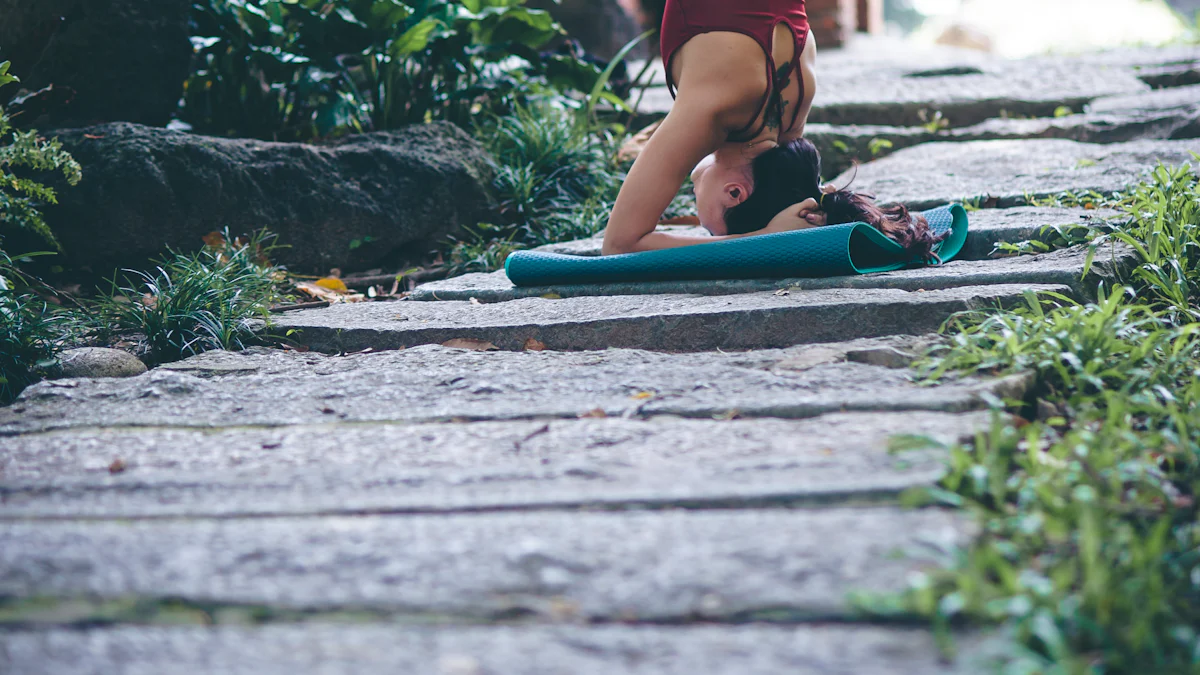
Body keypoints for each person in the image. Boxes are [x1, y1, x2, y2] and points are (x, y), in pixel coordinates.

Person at [602, 0, 944, 262]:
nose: (699, 219)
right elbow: (620, 245)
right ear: (735, 194)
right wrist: (763, 237)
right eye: (711, 228)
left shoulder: (794, 111)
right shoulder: (717, 111)